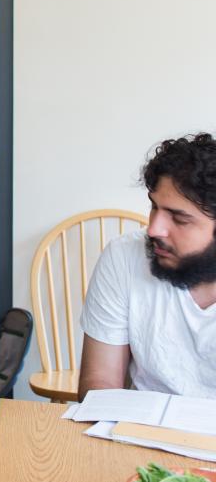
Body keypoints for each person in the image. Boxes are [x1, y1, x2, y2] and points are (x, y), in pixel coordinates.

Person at [79, 133, 216, 399]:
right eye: (154, 207)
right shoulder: (123, 257)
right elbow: (100, 382)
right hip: (141, 431)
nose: (153, 229)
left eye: (179, 219)